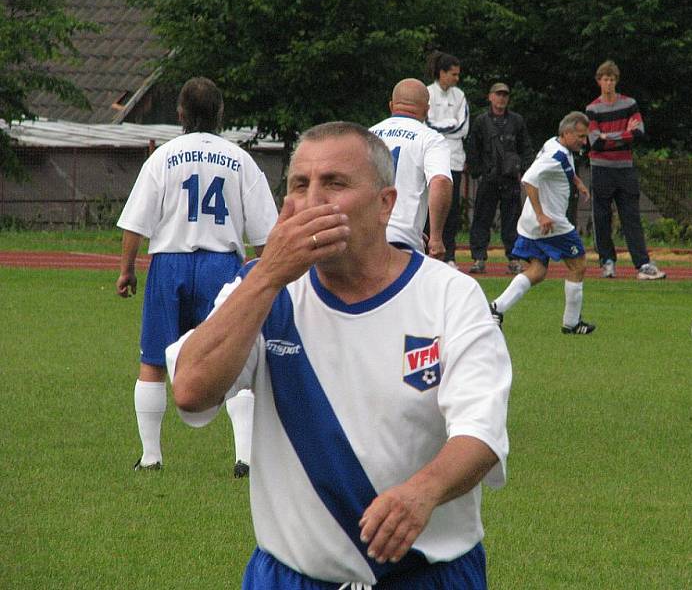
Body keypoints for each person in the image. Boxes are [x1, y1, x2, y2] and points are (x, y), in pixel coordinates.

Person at [166, 122, 511, 588]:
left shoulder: (449, 295)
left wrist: (421, 493)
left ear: (385, 204)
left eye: (335, 183)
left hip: (428, 575)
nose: (314, 200)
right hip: (294, 576)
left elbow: (481, 432)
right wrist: (267, 276)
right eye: (300, 185)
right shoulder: (264, 291)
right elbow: (191, 390)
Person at [116, 77, 278, 476]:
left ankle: (152, 456)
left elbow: (135, 223)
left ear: (180, 114)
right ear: (221, 114)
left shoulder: (163, 157)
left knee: (153, 359)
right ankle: (244, 457)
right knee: (235, 357)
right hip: (222, 266)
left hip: (169, 263)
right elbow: (265, 235)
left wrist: (126, 270)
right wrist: (265, 280)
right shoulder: (240, 159)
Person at [489, 111, 596, 335]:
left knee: (537, 270)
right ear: (567, 133)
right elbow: (528, 179)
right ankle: (572, 323)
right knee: (578, 265)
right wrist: (541, 214)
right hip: (551, 223)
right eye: (580, 136)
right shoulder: (555, 155)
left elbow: (563, 168)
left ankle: (496, 308)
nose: (584, 141)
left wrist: (577, 182)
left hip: (531, 223)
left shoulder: (555, 145)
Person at [586, 60, 666, 280]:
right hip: (601, 168)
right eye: (605, 79)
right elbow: (594, 141)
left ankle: (642, 264)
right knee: (602, 217)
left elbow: (638, 132)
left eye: (612, 79)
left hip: (625, 167)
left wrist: (608, 136)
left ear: (616, 81)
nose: (609, 83)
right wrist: (622, 135)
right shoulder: (592, 109)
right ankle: (607, 261)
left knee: (631, 216)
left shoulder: (629, 104)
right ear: (599, 81)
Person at [370, 78, 452, 259]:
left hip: (364, 236)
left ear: (391, 105)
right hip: (402, 239)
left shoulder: (367, 135)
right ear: (427, 109)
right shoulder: (430, 139)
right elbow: (440, 181)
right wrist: (436, 237)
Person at [467, 82, 534, 275]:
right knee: (481, 219)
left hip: (510, 179)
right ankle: (479, 258)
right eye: (498, 94)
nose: (501, 98)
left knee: (512, 220)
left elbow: (525, 147)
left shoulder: (517, 121)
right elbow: (473, 148)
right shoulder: (481, 121)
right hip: (489, 178)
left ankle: (513, 258)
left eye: (505, 95)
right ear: (490, 97)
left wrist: (526, 170)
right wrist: (478, 171)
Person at [426, 51, 469, 268]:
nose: (456, 78)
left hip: (454, 160)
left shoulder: (459, 96)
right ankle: (424, 252)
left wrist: (441, 126)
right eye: (453, 74)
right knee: (428, 208)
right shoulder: (427, 93)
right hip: (431, 161)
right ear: (442, 73)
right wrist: (447, 125)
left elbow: (463, 128)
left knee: (451, 210)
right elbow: (427, 125)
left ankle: (449, 255)